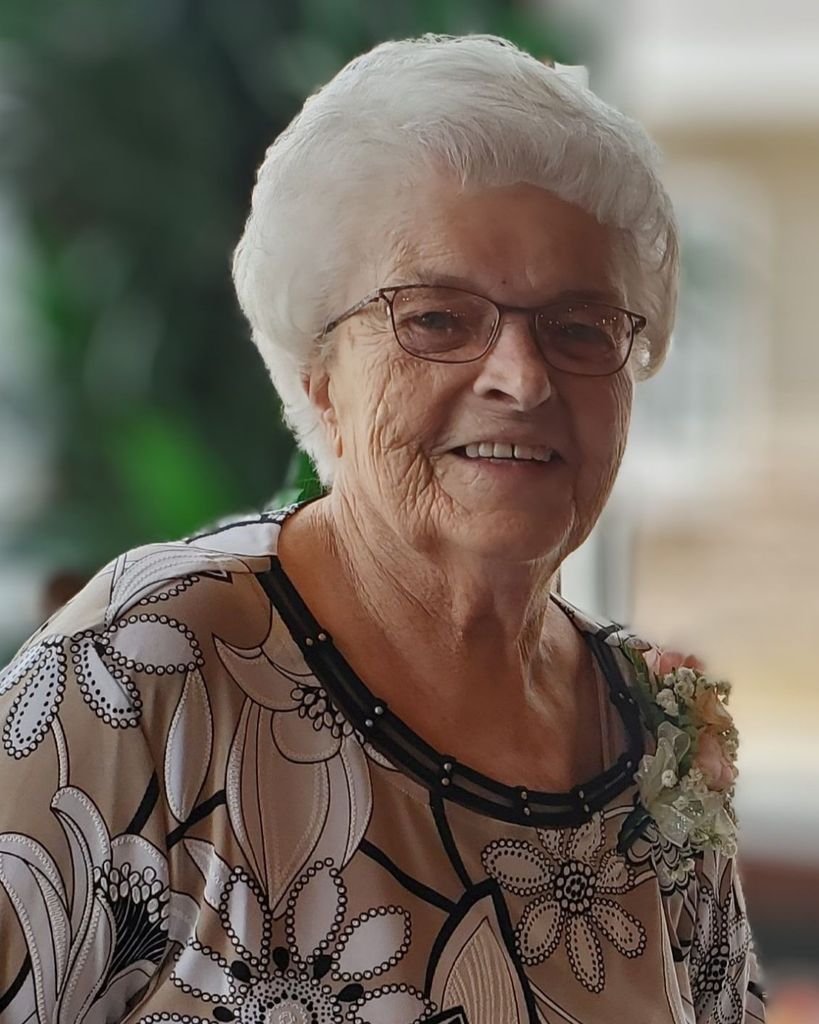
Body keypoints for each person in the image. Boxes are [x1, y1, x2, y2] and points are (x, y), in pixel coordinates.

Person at [0, 34, 766, 1024]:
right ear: (320, 374)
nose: (523, 378)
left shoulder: (656, 723)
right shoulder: (148, 669)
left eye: (580, 327)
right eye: (438, 319)